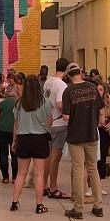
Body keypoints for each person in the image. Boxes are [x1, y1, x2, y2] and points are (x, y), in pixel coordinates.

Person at [62, 63, 105, 219]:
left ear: (68, 75)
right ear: (80, 72)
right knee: (93, 169)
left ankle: (78, 208)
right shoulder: (93, 87)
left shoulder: (68, 91)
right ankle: (98, 205)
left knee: (78, 170)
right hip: (91, 133)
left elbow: (66, 117)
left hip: (75, 135)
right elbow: (101, 110)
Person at [10, 75, 53, 214]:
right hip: (40, 139)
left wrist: (14, 141)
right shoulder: (44, 103)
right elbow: (50, 121)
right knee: (39, 174)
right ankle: (39, 205)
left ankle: (14, 202)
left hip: (23, 139)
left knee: (21, 173)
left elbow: (16, 124)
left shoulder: (19, 104)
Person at [44, 57, 70, 200]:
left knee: (48, 157)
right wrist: (71, 109)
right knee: (55, 158)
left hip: (48, 122)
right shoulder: (61, 85)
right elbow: (60, 104)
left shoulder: (48, 81)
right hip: (59, 123)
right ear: (66, 70)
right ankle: (53, 187)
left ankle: (44, 185)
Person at [0, 81, 17, 183]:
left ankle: (5, 177)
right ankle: (15, 177)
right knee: (15, 154)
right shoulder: (18, 103)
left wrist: (0, 118)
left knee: (3, 153)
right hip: (14, 131)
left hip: (1, 129)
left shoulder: (2, 103)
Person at [94, 79, 110, 181]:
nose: (99, 92)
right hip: (95, 131)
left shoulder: (107, 102)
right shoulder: (93, 102)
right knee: (95, 159)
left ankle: (100, 182)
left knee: (102, 157)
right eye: (97, 90)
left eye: (101, 90)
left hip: (104, 132)